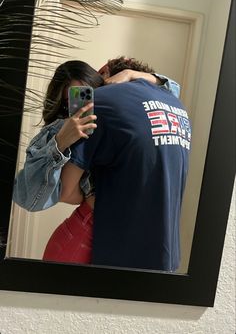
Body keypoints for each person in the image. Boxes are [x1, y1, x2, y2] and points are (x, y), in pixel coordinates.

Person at [13, 57, 180, 264]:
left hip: (112, 235)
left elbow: (172, 91)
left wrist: (131, 75)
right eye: (71, 101)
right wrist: (61, 141)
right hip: (83, 236)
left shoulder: (119, 109)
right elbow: (33, 198)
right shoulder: (60, 130)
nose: (82, 104)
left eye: (88, 92)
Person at [59, 57, 191, 271]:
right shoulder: (176, 105)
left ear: (105, 72)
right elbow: (169, 84)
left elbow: (65, 191)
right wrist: (133, 74)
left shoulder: (92, 100)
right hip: (166, 255)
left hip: (113, 251)